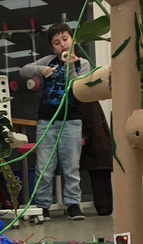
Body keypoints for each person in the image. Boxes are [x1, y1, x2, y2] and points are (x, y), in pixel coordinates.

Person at [19, 22, 91, 220]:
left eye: (65, 39)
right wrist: (42, 70)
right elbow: (24, 70)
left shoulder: (83, 64)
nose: (63, 45)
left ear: (72, 40)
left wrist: (70, 66)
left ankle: (73, 204)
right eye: (57, 43)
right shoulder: (49, 61)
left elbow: (79, 87)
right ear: (53, 48)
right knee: (44, 166)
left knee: (71, 165)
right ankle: (42, 205)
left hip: (71, 121)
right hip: (47, 120)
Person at [80, 101, 113, 216]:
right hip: (99, 143)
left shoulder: (84, 101)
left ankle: (104, 207)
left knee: (99, 173)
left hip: (93, 144)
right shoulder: (92, 102)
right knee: (102, 175)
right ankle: (105, 207)